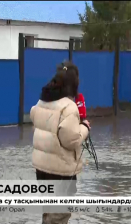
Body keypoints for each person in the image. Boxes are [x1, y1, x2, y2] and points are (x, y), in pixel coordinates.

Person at [30, 61, 91, 224]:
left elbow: (33, 116)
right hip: (61, 171)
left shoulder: (42, 100)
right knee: (59, 215)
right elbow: (71, 140)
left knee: (48, 211)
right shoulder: (69, 107)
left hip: (41, 169)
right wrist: (84, 128)